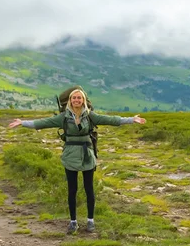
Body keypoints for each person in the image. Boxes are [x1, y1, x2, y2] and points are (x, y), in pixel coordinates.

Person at [9, 88, 146, 234]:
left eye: (79, 98)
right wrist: (22, 123)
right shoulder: (63, 117)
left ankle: (90, 221)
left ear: (83, 101)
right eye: (74, 98)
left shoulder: (90, 116)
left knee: (89, 189)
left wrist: (132, 120)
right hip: (70, 155)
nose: (76, 100)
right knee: (72, 190)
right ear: (70, 100)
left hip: (87, 154)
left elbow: (110, 120)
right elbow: (43, 123)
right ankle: (73, 222)